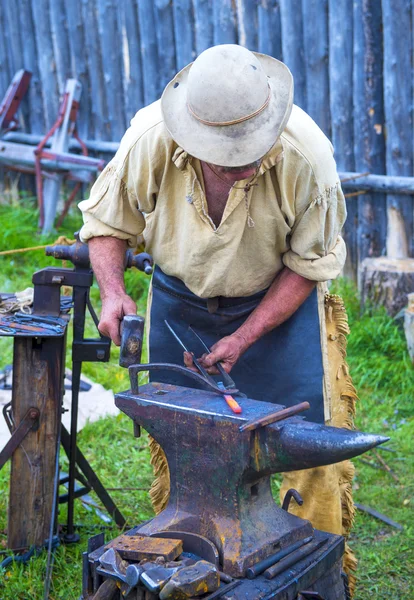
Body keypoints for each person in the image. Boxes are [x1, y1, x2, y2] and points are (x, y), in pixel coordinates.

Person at [79, 44, 357, 591]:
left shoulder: (308, 158)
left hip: (277, 303)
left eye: (252, 149)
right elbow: (108, 224)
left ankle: (306, 578)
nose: (245, 162)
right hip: (180, 302)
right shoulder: (149, 139)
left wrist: (247, 334)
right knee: (187, 449)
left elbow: (308, 264)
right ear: (192, 140)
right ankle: (196, 567)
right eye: (228, 156)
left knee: (303, 452)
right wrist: (112, 292)